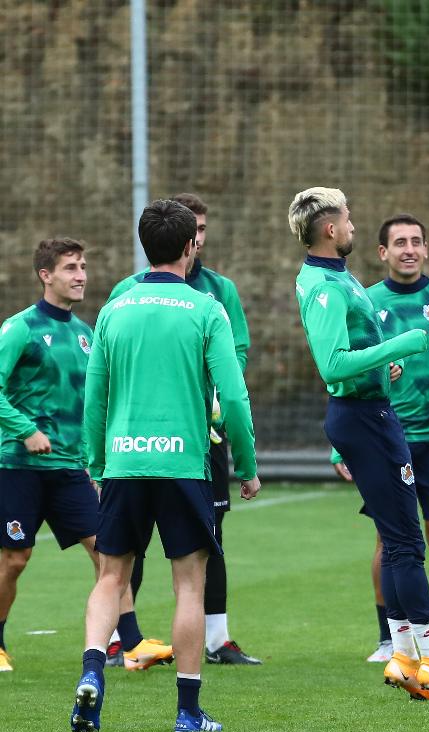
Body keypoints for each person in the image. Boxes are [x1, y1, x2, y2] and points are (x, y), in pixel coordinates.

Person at [71, 199, 261, 732]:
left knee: (111, 576)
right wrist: (246, 465)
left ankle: (93, 670)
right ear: (189, 246)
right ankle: (188, 711)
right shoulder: (206, 309)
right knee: (189, 586)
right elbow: (234, 398)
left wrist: (97, 463)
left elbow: (94, 397)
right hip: (183, 464)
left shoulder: (114, 309)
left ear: (144, 246)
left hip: (125, 462)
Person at [289, 187, 429, 702]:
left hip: (372, 414)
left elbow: (354, 354)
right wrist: (400, 345)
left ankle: (403, 656)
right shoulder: (326, 286)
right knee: (404, 543)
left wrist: (381, 365)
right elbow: (333, 366)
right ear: (330, 228)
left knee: (406, 540)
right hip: (366, 421)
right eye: (348, 218)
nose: (353, 225)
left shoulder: (334, 276)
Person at [0, 239, 169, 674]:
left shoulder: (86, 334)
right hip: (18, 466)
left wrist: (98, 461)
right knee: (14, 559)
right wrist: (26, 431)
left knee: (108, 552)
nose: (81, 276)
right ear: (46, 275)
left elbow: (97, 403)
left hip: (71, 468)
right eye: (70, 268)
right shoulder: (20, 328)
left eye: (83, 267)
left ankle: (131, 644)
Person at [108, 193, 259, 664]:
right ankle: (122, 640)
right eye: (194, 229)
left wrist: (215, 404)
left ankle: (218, 639)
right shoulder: (127, 291)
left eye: (204, 228)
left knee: (211, 535)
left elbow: (236, 354)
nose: (199, 238)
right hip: (156, 439)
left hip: (198, 435)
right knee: (133, 550)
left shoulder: (219, 291)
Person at [332, 214, 429, 663]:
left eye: (416, 241)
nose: (409, 249)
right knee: (388, 538)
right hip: (383, 435)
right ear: (383, 252)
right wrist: (341, 446)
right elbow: (347, 370)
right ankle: (389, 639)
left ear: (426, 248)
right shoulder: (364, 301)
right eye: (400, 242)